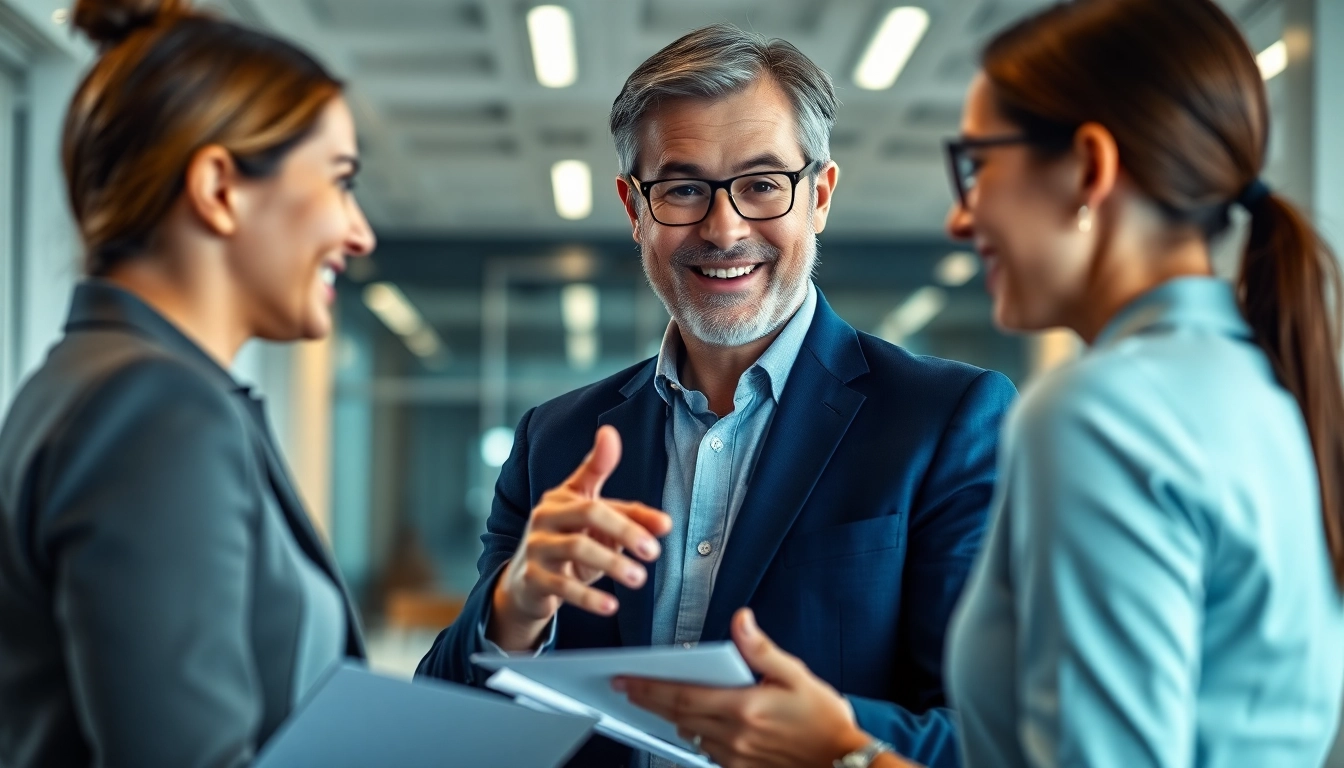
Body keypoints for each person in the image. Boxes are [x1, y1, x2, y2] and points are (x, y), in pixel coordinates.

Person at [618, 1, 1344, 767]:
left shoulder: (1101, 413)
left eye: (979, 166)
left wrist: (846, 753)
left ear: (1090, 170)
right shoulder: (1256, 385)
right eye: (685, 190)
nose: (961, 218)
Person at [416, 23, 1016, 768]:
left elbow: (990, 737)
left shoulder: (947, 422)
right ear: (634, 209)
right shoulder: (558, 440)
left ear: (819, 196)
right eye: (683, 188)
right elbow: (445, 719)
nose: (724, 227)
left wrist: (836, 739)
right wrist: (514, 606)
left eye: (763, 184)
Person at [0, 0, 376, 765]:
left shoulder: (95, 382)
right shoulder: (154, 410)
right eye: (340, 182)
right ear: (220, 189)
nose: (359, 232)